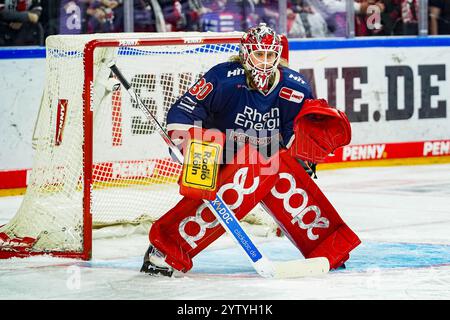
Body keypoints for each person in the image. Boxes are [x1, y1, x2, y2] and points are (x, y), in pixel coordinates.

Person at [140, 23, 359, 276]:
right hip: (218, 152)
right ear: (246, 54)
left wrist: (303, 160)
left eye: (270, 55)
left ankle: (328, 244)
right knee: (234, 187)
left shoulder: (295, 88)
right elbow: (184, 109)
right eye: (259, 54)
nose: (265, 62)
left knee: (284, 178)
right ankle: (165, 250)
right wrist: (189, 143)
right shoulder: (223, 78)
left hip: (263, 155)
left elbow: (294, 133)